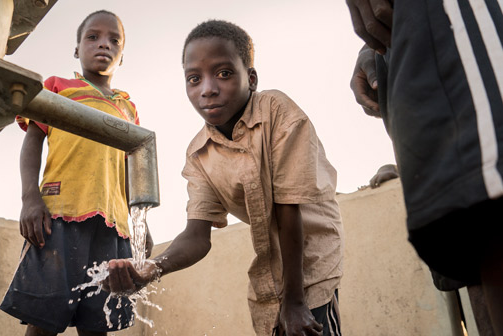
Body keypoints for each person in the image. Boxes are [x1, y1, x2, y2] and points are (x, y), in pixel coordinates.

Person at [103, 20, 344, 336]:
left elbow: (289, 208)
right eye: (194, 79)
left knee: (311, 325)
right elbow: (196, 236)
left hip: (312, 260)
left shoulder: (277, 111)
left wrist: (295, 300)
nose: (207, 89)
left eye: (224, 73)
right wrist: (150, 269)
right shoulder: (199, 154)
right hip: (268, 269)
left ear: (252, 78)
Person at [346, 0, 503, 334]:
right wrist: (377, 48)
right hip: (412, 32)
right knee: (469, 223)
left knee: (488, 193)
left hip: (455, 17)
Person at [0, 10, 152, 336]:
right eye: (92, 37)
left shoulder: (128, 108)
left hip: (114, 226)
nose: (103, 45)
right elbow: (32, 141)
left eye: (114, 40)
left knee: (97, 324)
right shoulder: (59, 87)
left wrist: (142, 224)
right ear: (77, 49)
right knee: (44, 318)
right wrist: (30, 198)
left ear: (122, 56)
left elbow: (132, 168)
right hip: (61, 214)